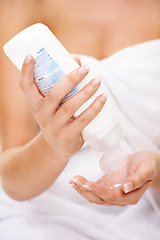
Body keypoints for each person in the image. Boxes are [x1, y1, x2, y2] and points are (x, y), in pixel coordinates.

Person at [0, 0, 160, 239]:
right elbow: (12, 181)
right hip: (40, 220)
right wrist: (53, 147)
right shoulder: (25, 6)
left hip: (145, 220)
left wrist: (155, 169)